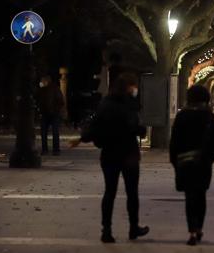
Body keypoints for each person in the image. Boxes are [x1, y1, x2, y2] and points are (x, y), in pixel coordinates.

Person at [69, 73, 149, 243]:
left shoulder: (105, 104)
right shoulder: (129, 105)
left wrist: (81, 139)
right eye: (132, 86)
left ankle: (106, 230)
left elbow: (96, 127)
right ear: (128, 87)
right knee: (132, 193)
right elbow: (135, 127)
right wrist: (141, 130)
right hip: (128, 153)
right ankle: (133, 228)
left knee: (109, 192)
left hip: (109, 154)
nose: (134, 89)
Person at [169, 85, 214, 246]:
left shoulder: (182, 116)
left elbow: (174, 141)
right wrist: (210, 158)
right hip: (203, 162)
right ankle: (199, 227)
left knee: (189, 197)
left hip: (185, 161)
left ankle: (192, 230)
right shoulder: (209, 116)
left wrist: (174, 160)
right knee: (201, 195)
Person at [36, 75, 65, 155]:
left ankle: (55, 150)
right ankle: (47, 150)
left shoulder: (54, 89)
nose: (41, 82)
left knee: (54, 132)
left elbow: (60, 101)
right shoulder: (41, 90)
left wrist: (55, 110)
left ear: (47, 81)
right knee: (44, 133)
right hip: (45, 113)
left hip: (53, 114)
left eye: (42, 81)